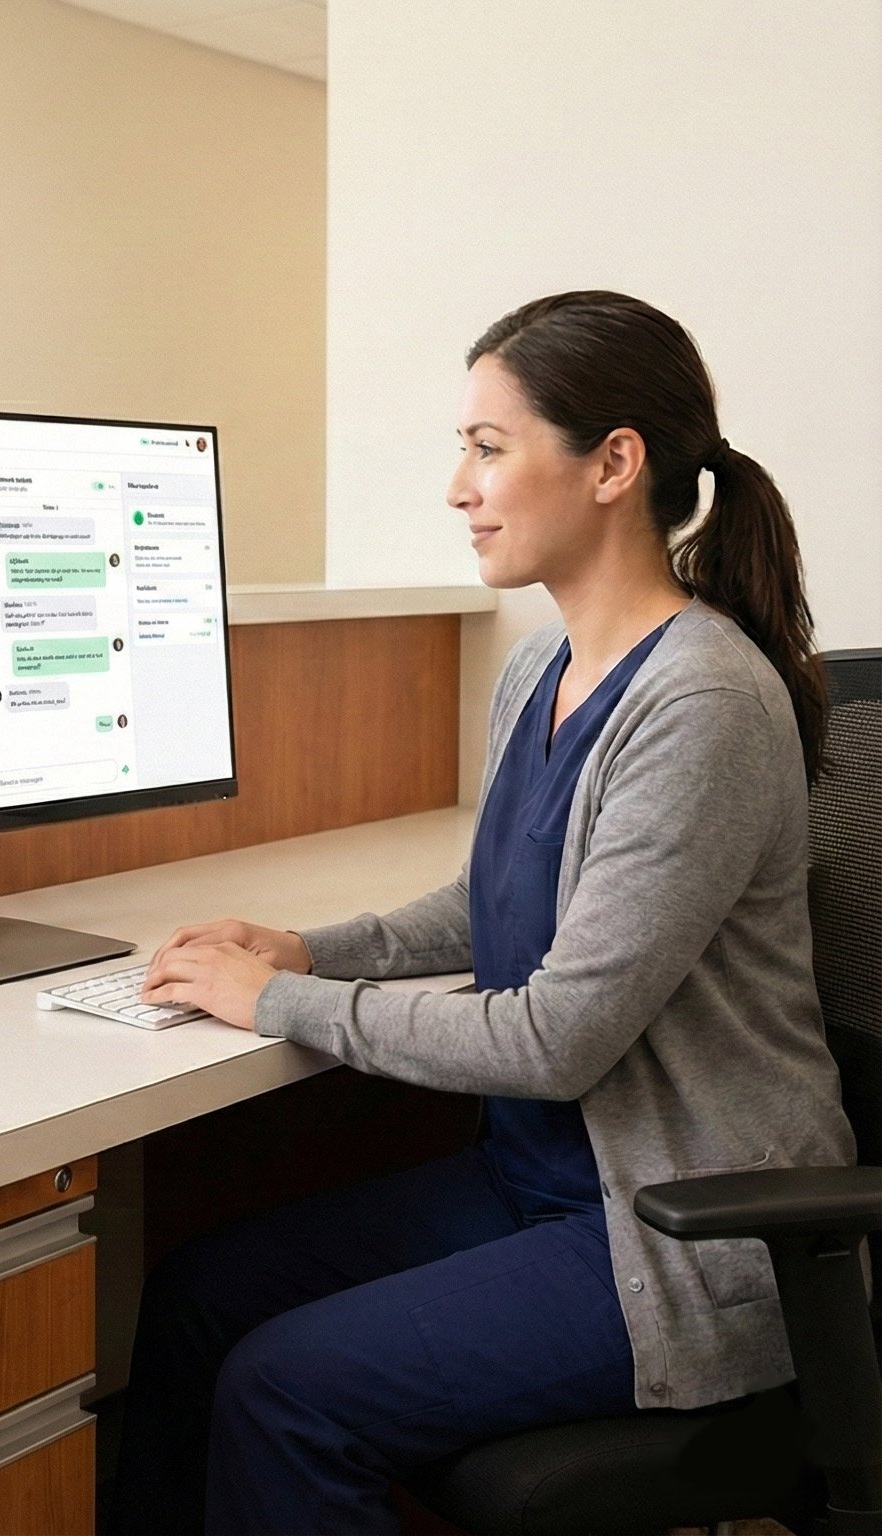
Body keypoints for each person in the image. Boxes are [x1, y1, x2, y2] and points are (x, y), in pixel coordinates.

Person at [110, 291, 850, 1534]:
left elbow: (553, 1038)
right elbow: (490, 900)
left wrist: (278, 1000)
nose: (459, 485)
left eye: (488, 446)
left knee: (285, 1392)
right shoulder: (541, 667)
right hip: (538, 1185)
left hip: (677, 1231)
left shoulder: (701, 702)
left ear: (614, 462)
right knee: (194, 1294)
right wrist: (306, 947)